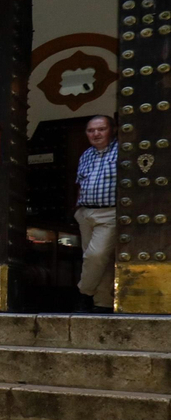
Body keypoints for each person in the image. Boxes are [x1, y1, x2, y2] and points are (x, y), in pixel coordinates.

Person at [74, 114, 118, 313]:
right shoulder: (86, 155)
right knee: (102, 262)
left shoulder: (121, 152)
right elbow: (79, 185)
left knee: (95, 256)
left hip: (109, 213)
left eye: (101, 129)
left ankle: (84, 293)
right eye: (91, 130)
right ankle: (103, 304)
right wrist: (77, 211)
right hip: (86, 213)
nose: (96, 134)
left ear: (112, 130)